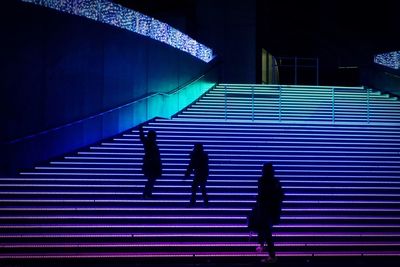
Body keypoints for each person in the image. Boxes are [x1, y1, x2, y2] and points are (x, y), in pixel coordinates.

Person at [252, 162, 284, 263]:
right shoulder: (275, 181)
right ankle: (265, 248)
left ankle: (271, 255)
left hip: (264, 209)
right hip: (271, 209)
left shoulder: (262, 180)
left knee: (266, 230)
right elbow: (281, 195)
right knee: (265, 229)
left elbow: (261, 195)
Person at [139, 125, 162, 199]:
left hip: (153, 163)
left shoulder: (152, 142)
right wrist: (141, 129)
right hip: (151, 163)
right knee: (151, 179)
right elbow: (142, 138)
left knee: (151, 179)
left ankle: (148, 193)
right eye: (154, 135)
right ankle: (146, 193)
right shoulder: (149, 142)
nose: (155, 137)